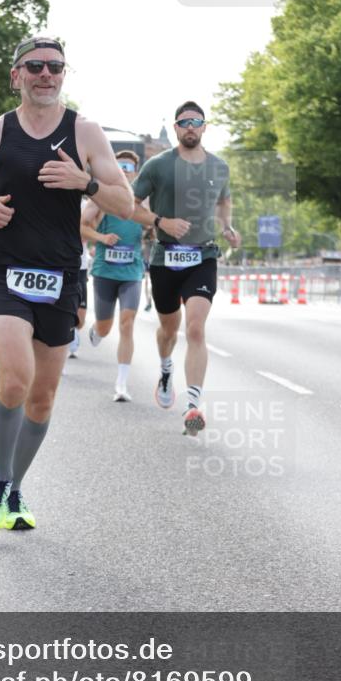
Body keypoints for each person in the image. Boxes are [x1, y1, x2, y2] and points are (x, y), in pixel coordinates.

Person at [0, 35, 133, 530]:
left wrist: (86, 184)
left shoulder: (86, 132)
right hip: (6, 272)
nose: (46, 74)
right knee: (14, 380)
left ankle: (13, 488)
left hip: (61, 276)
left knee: (43, 397)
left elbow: (125, 202)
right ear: (17, 75)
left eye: (55, 66)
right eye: (35, 66)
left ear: (64, 74)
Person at [132, 101, 241, 435]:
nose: (190, 127)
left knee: (195, 329)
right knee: (168, 329)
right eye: (183, 123)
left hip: (203, 257)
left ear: (204, 127)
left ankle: (193, 404)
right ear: (176, 128)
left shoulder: (219, 167)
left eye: (196, 121)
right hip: (166, 257)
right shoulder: (157, 166)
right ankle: (166, 369)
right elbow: (129, 206)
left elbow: (224, 200)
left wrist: (226, 227)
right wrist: (160, 221)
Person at [82, 150, 147, 401]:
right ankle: (97, 331)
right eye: (121, 166)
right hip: (105, 272)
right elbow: (81, 227)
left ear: (136, 172)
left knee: (127, 323)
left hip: (132, 271)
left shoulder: (144, 202)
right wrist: (101, 238)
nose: (126, 170)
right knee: (106, 327)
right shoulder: (100, 198)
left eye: (130, 167)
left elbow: (154, 222)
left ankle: (121, 384)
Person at [67, 201, 90, 360]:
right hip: (61, 266)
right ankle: (63, 340)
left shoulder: (87, 205)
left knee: (80, 320)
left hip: (80, 267)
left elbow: (89, 230)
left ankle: (72, 331)